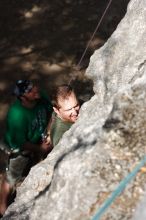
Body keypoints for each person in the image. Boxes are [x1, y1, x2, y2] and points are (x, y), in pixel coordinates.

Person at [0, 79, 53, 216]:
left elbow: (51, 112)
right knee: (11, 177)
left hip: (37, 139)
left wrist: (48, 132)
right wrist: (40, 149)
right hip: (19, 149)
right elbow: (21, 143)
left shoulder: (40, 96)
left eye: (34, 86)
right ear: (23, 97)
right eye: (30, 90)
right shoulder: (17, 115)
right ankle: (2, 205)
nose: (36, 90)